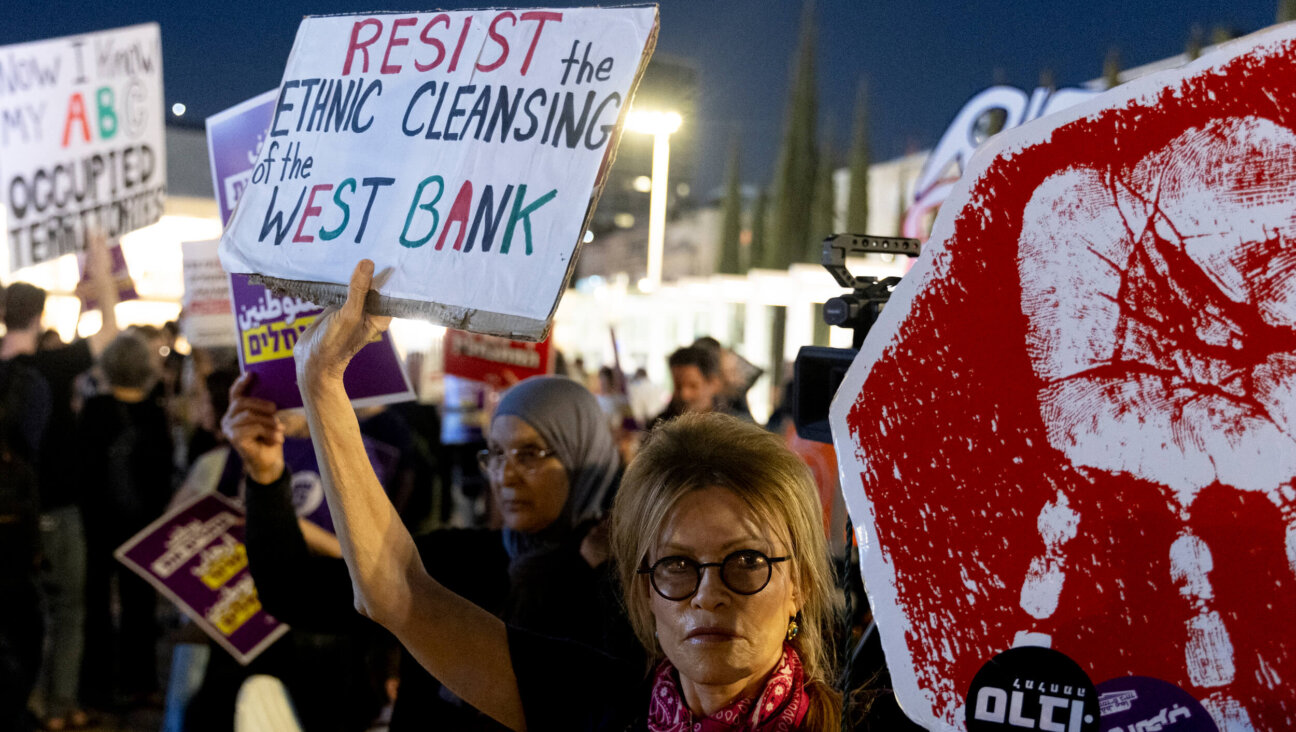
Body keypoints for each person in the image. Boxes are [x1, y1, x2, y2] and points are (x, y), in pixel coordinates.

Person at [286, 260, 842, 730]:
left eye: (746, 562)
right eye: (676, 565)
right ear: (642, 592)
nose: (708, 594)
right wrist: (322, 382)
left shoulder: (868, 718)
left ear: (801, 585)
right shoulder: (600, 704)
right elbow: (395, 594)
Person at [228, 365, 638, 730]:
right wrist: (266, 476)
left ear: (583, 456)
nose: (505, 475)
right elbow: (295, 593)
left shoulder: (623, 585)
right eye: (495, 453)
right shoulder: (457, 560)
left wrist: (591, 577)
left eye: (529, 454)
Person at [0, 232, 120, 728]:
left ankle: (23, 697)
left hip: (8, 515)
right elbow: (111, 332)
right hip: (56, 507)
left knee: (14, 611)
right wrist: (99, 265)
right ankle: (57, 706)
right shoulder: (53, 365)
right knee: (68, 609)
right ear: (40, 315)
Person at [77, 332, 173, 708]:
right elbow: (162, 472)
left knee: (97, 604)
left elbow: (83, 470)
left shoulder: (94, 410)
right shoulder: (154, 412)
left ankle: (97, 685)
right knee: (140, 604)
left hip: (99, 524)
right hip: (143, 523)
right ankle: (141, 682)